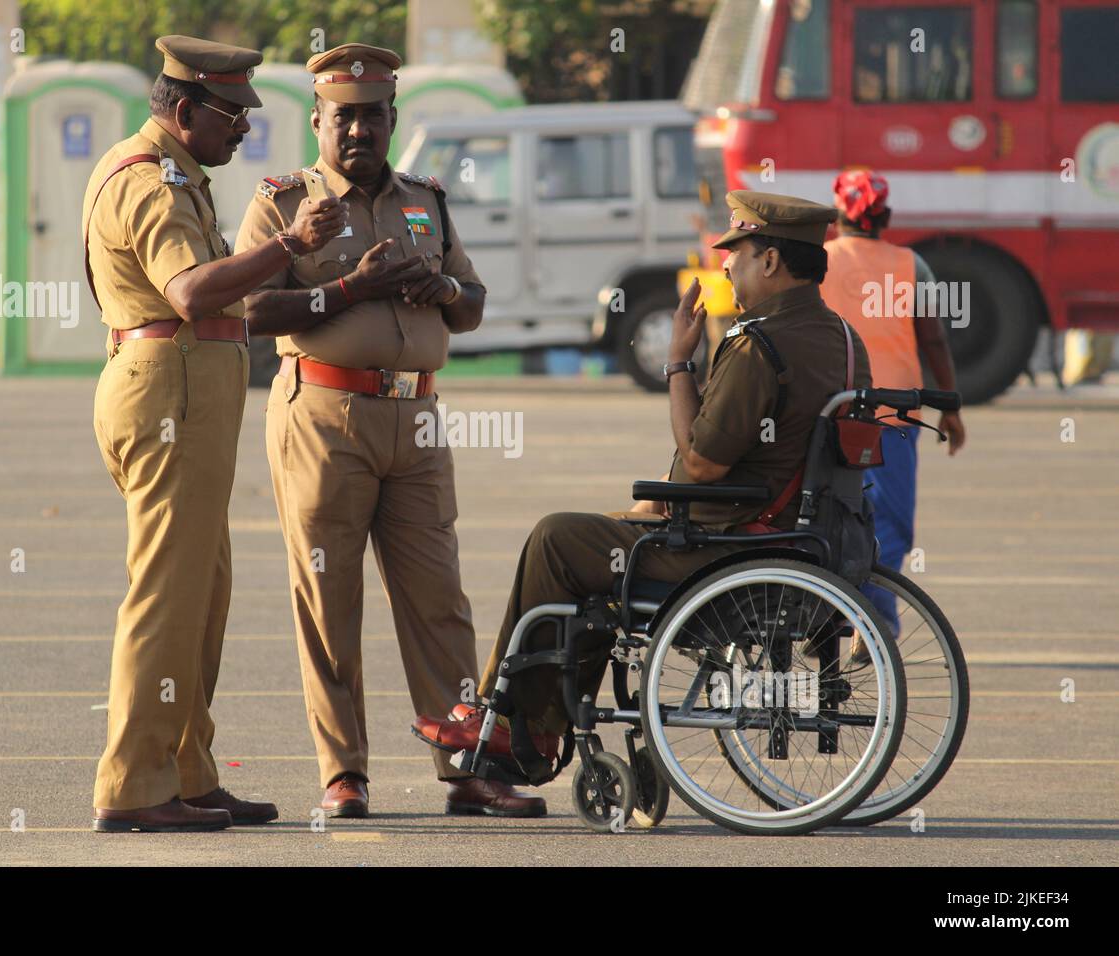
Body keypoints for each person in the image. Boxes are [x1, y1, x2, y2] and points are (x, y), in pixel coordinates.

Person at [413, 191, 873, 785]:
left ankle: (513, 722)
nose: (725, 265)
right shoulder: (845, 341)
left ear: (770, 263)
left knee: (556, 540)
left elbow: (704, 462)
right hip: (809, 544)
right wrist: (660, 500)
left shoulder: (760, 343)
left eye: (737, 252)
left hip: (728, 550)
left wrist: (680, 362)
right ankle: (537, 721)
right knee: (600, 541)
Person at [237, 43, 522, 819]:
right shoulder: (285, 200)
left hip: (417, 417)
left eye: (374, 116)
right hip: (324, 417)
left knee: (440, 598)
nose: (360, 131)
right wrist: (346, 289)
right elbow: (254, 310)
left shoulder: (425, 198)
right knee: (329, 598)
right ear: (320, 121)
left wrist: (444, 286)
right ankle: (344, 774)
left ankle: (464, 766)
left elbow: (472, 305)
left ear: (393, 118)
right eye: (345, 118)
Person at [86, 35, 346, 832]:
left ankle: (187, 772)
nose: (243, 129)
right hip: (170, 398)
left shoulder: (173, 172)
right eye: (231, 114)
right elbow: (192, 290)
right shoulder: (154, 182)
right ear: (186, 109)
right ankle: (133, 788)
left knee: (202, 593)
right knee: (166, 598)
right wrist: (288, 246)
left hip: (184, 400)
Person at [821, 170, 965, 650]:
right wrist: (951, 405)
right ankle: (875, 616)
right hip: (894, 417)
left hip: (832, 412)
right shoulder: (911, 264)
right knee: (888, 522)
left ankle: (831, 610)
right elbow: (933, 338)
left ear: (838, 215)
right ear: (885, 217)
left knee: (826, 513)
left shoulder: (818, 260)